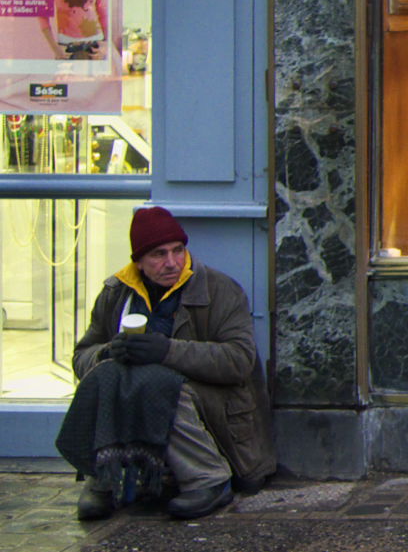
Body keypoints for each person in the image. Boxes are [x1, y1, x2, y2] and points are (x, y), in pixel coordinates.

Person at [60, 207, 275, 521]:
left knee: (159, 382)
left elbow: (239, 361)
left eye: (178, 251)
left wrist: (166, 351)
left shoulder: (220, 290)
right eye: (158, 255)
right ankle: (104, 477)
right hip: (142, 393)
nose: (172, 262)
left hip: (215, 405)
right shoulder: (116, 293)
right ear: (139, 261)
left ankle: (207, 478)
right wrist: (108, 352)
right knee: (105, 374)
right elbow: (82, 357)